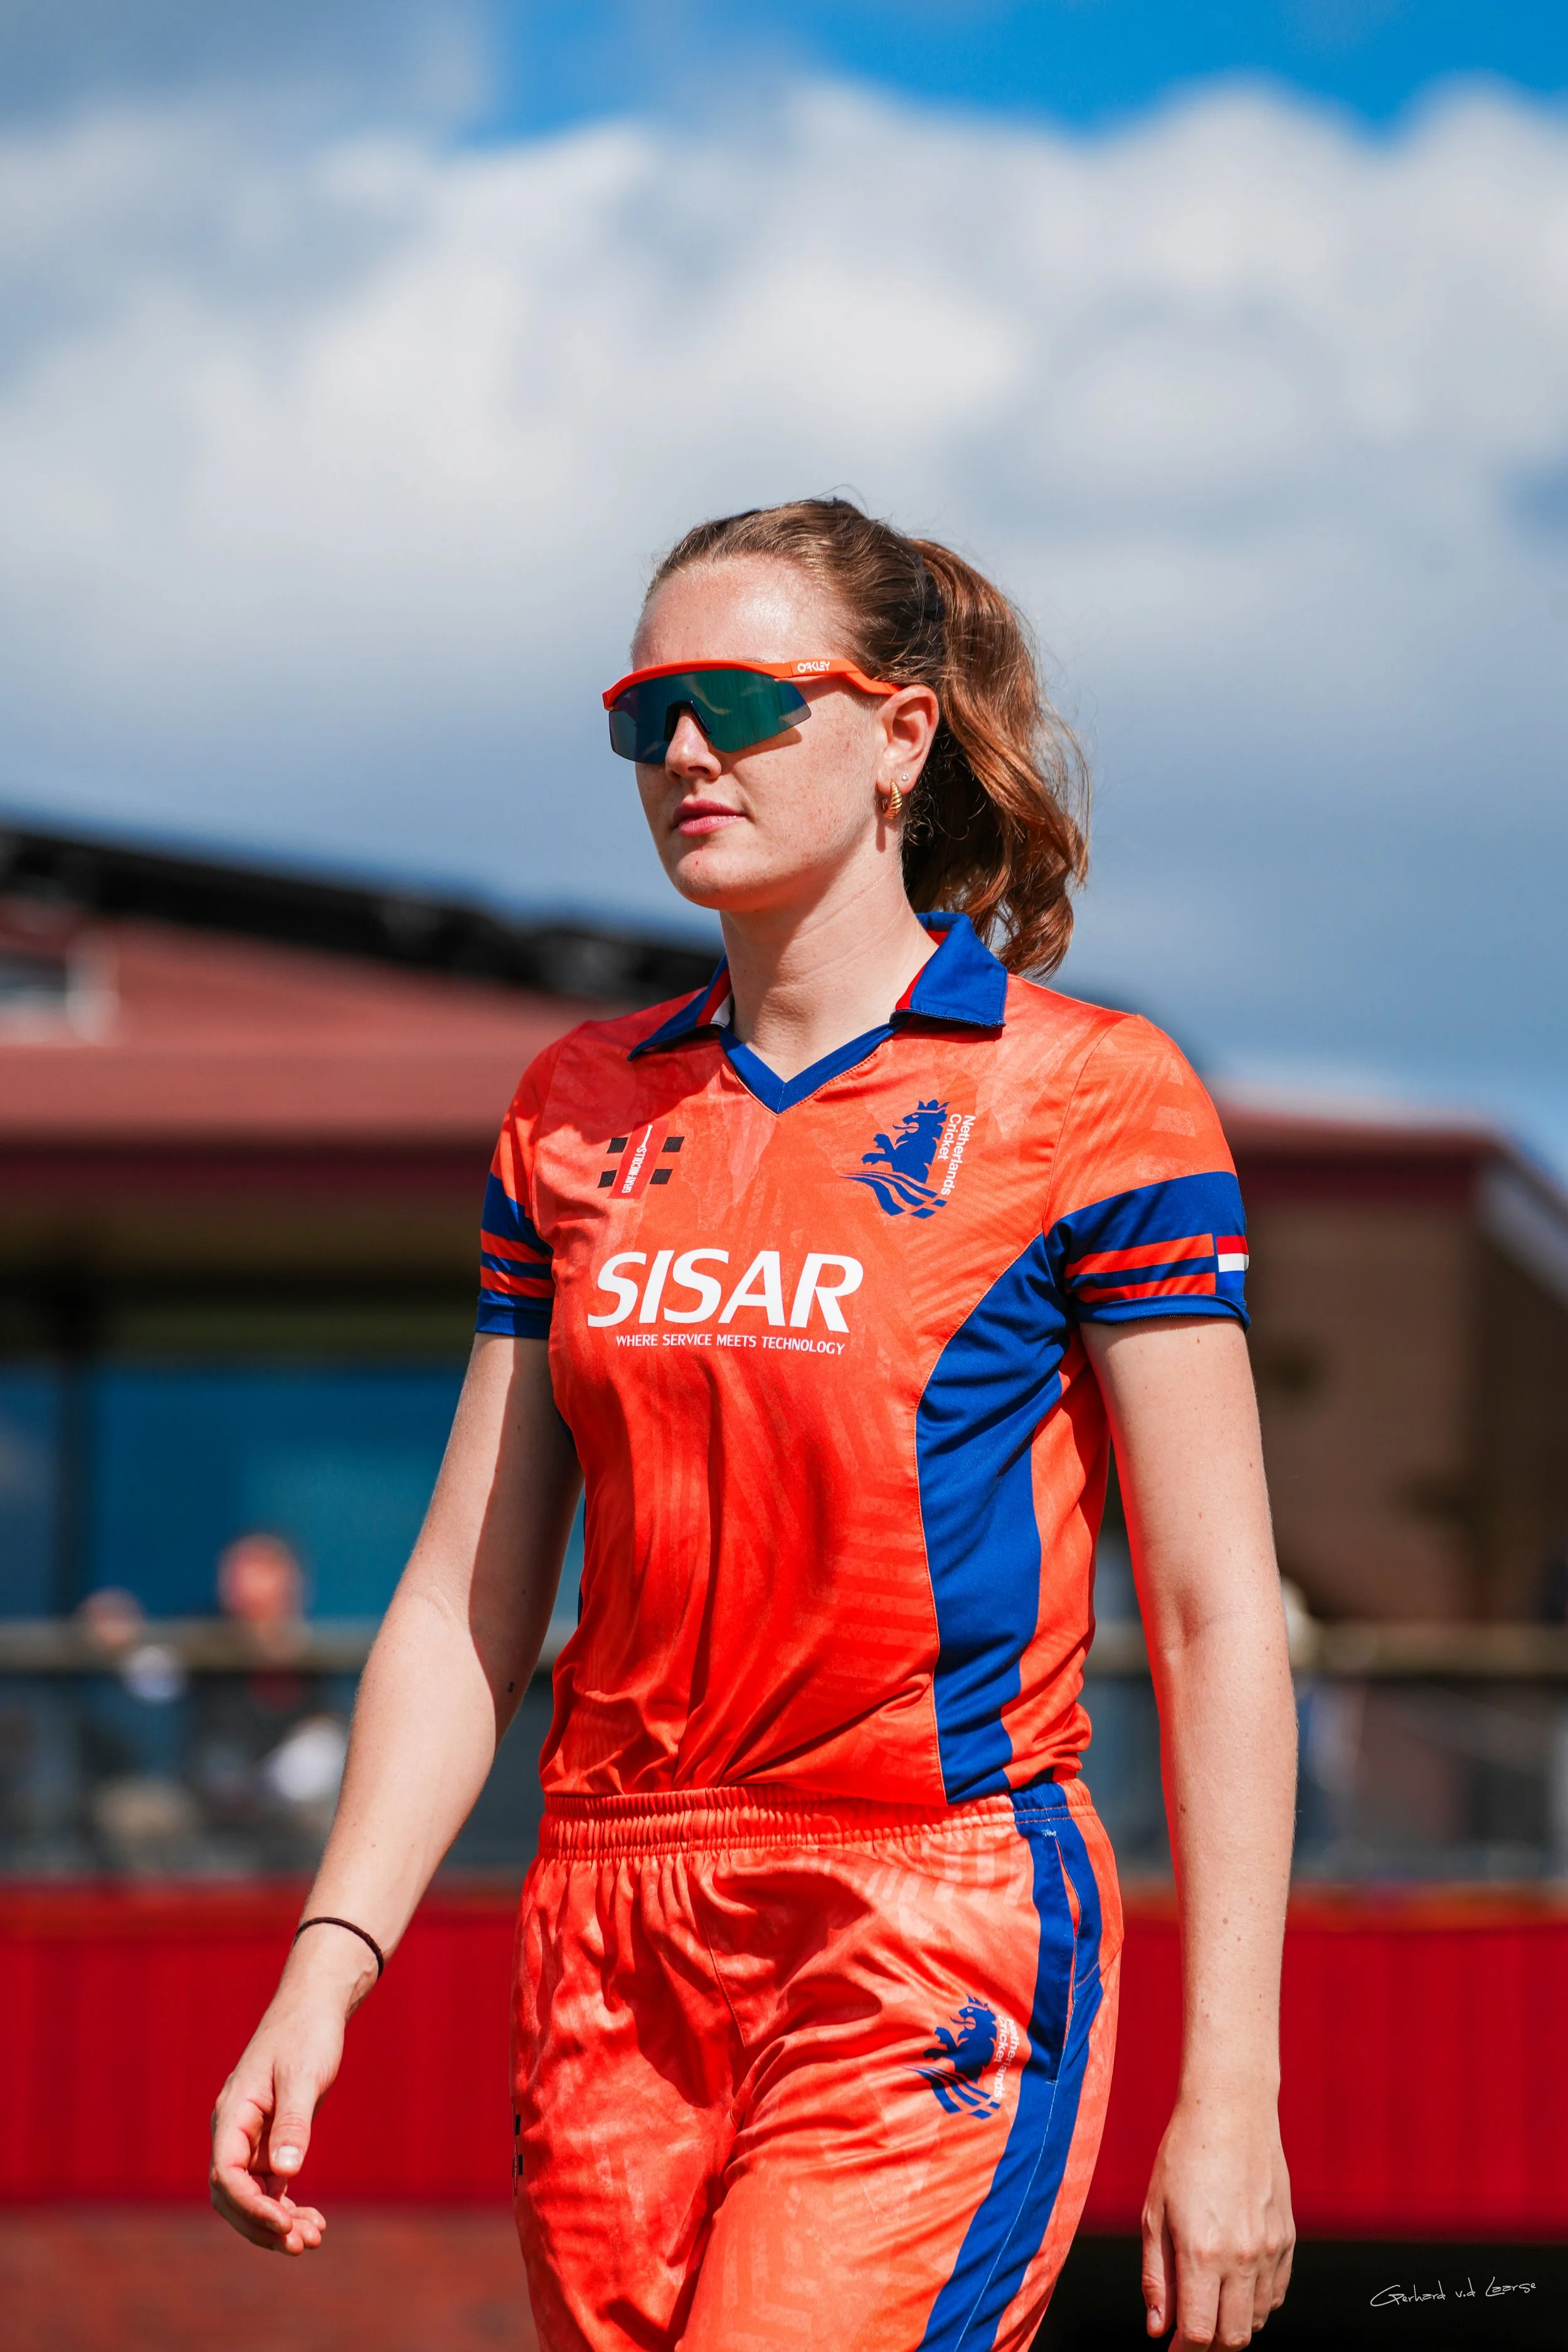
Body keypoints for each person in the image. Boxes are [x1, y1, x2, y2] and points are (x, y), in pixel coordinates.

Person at [211, 498, 1297, 2351]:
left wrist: (1233, 2089)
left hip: (925, 1912)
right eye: (647, 713)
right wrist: (325, 1964)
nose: (686, 751)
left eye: (739, 699)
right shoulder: (569, 1110)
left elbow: (1211, 1621)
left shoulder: (1088, 1097)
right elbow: (460, 1608)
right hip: (604, 1935)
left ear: (901, 732)